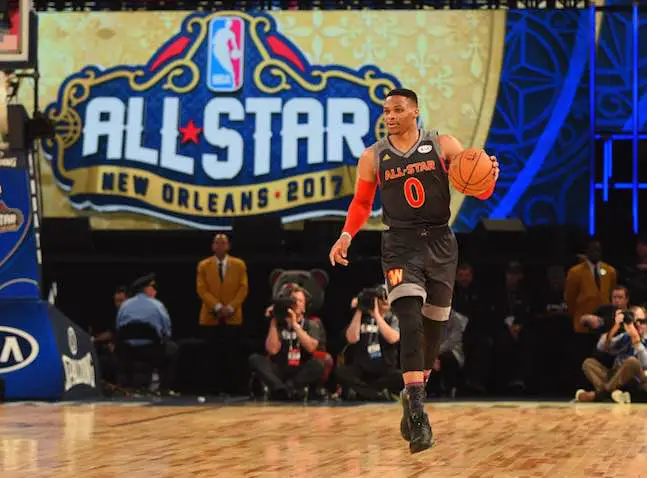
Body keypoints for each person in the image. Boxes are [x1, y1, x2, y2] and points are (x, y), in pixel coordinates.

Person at [328, 88, 499, 453]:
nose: (390, 115)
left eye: (398, 109)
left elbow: (478, 189)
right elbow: (361, 202)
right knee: (408, 319)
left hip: (440, 242)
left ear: (415, 111)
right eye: (386, 110)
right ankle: (419, 413)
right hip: (399, 245)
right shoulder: (373, 156)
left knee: (433, 334)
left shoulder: (442, 144)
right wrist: (346, 235)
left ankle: (412, 394)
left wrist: (489, 176)